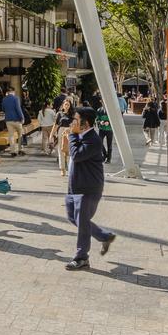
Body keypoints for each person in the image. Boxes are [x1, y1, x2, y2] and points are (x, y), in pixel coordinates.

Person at [63, 107, 116, 270]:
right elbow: (69, 153)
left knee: (83, 222)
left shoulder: (93, 139)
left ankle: (81, 257)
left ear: (85, 123)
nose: (73, 122)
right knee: (74, 218)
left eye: (76, 120)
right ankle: (104, 236)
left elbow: (78, 155)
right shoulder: (80, 135)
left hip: (88, 188)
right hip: (75, 186)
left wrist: (71, 136)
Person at [51, 99, 75, 176]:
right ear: (63, 105)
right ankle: (62, 169)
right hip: (61, 131)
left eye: (68, 104)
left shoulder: (73, 114)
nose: (67, 106)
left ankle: (70, 167)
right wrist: (52, 134)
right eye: (65, 104)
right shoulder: (59, 114)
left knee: (69, 150)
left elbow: (75, 124)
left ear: (70, 106)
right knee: (61, 149)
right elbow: (56, 125)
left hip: (70, 131)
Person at [1, 86, 25, 157]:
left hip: (8, 120)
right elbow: (18, 109)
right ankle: (20, 150)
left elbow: (3, 109)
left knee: (11, 136)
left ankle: (13, 151)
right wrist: (22, 117)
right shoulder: (16, 98)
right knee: (20, 134)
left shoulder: (4, 99)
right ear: (13, 92)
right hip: (17, 120)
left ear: (8, 92)